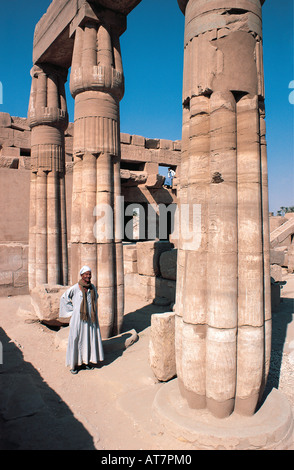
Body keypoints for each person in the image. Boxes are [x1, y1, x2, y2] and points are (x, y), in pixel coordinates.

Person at [59, 266, 104, 374]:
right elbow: (64, 298)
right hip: (78, 320)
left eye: (89, 274)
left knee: (88, 339)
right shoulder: (75, 288)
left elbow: (95, 298)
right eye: (86, 274)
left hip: (90, 319)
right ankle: (74, 364)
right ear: (81, 275)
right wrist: (72, 311)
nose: (88, 276)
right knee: (76, 338)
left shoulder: (92, 288)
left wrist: (91, 310)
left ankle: (86, 361)